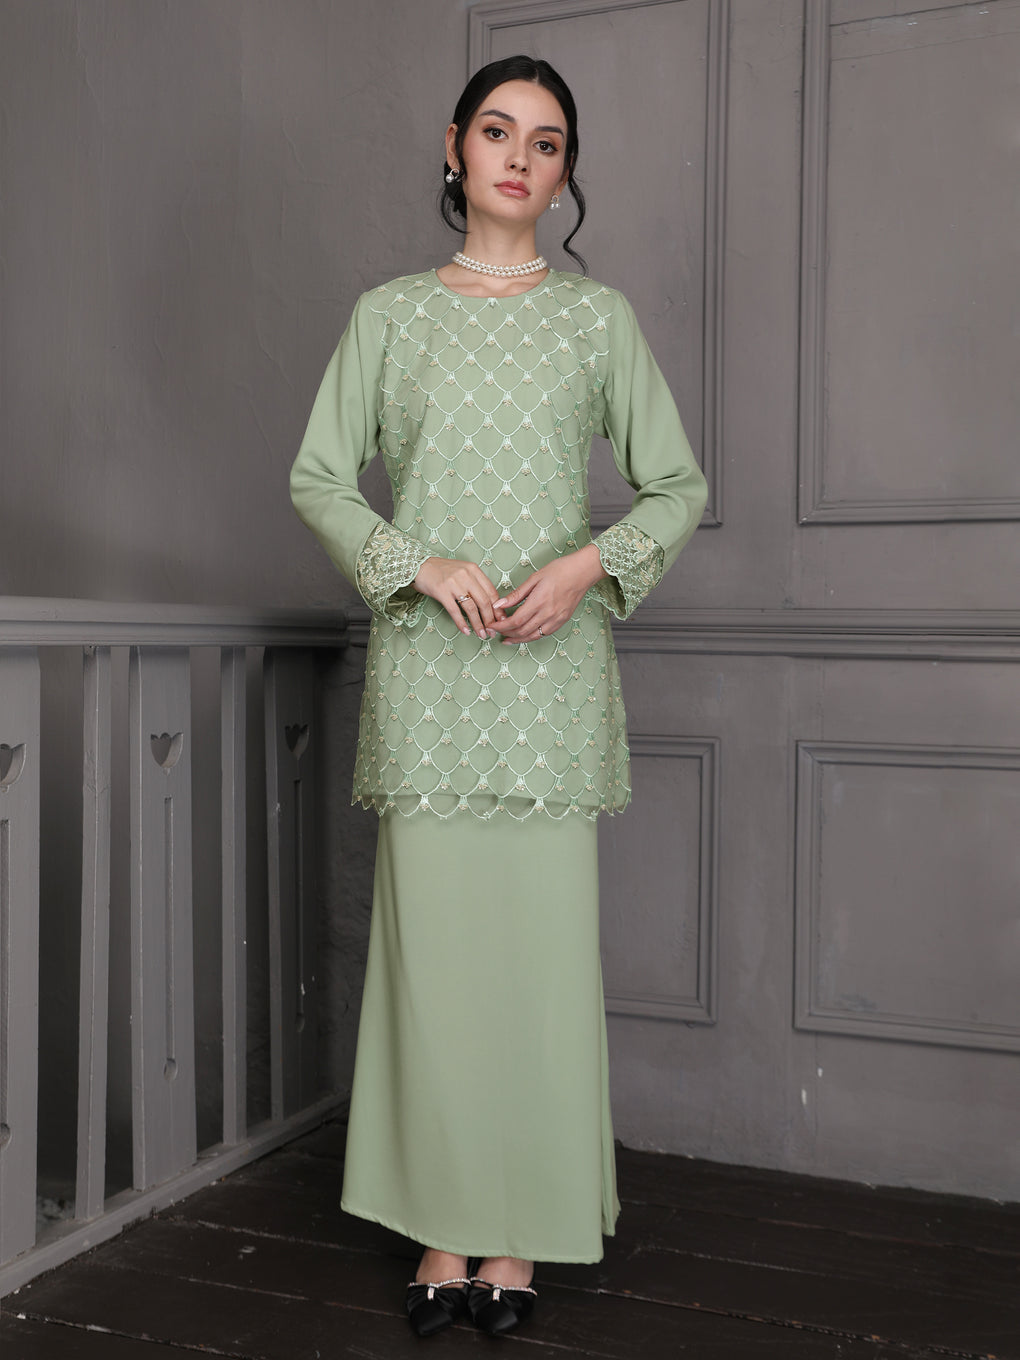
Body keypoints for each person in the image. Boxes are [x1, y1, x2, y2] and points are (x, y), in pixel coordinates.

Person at [290, 54, 707, 1338]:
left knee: (536, 976)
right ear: (455, 148)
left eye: (548, 141)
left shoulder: (596, 321)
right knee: (437, 977)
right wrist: (420, 565)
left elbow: (678, 486)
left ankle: (520, 1237)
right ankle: (443, 1228)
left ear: (565, 171)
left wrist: (586, 568)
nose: (520, 156)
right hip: (430, 684)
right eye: (497, 130)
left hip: (550, 690)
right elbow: (318, 477)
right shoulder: (389, 317)